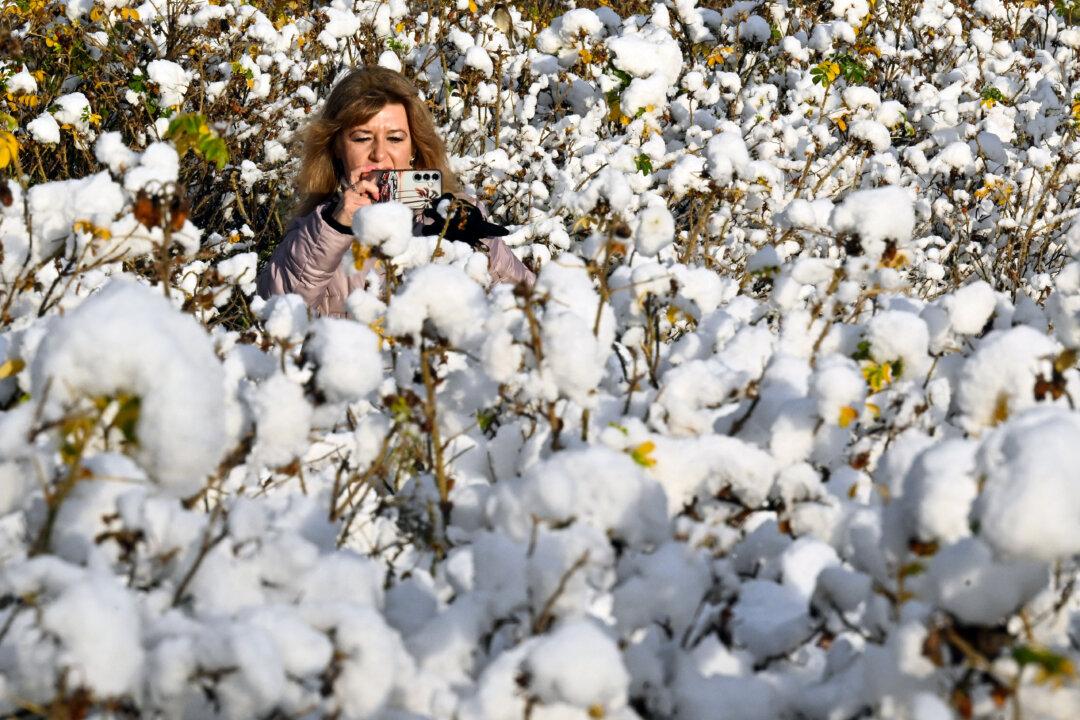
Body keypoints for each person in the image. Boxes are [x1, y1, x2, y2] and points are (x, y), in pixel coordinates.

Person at [257, 66, 534, 317]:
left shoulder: (453, 213)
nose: (379, 154)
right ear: (337, 148)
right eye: (362, 138)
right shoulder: (316, 231)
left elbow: (529, 306)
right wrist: (336, 226)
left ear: (414, 147)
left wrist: (482, 246)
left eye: (395, 138)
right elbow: (279, 310)